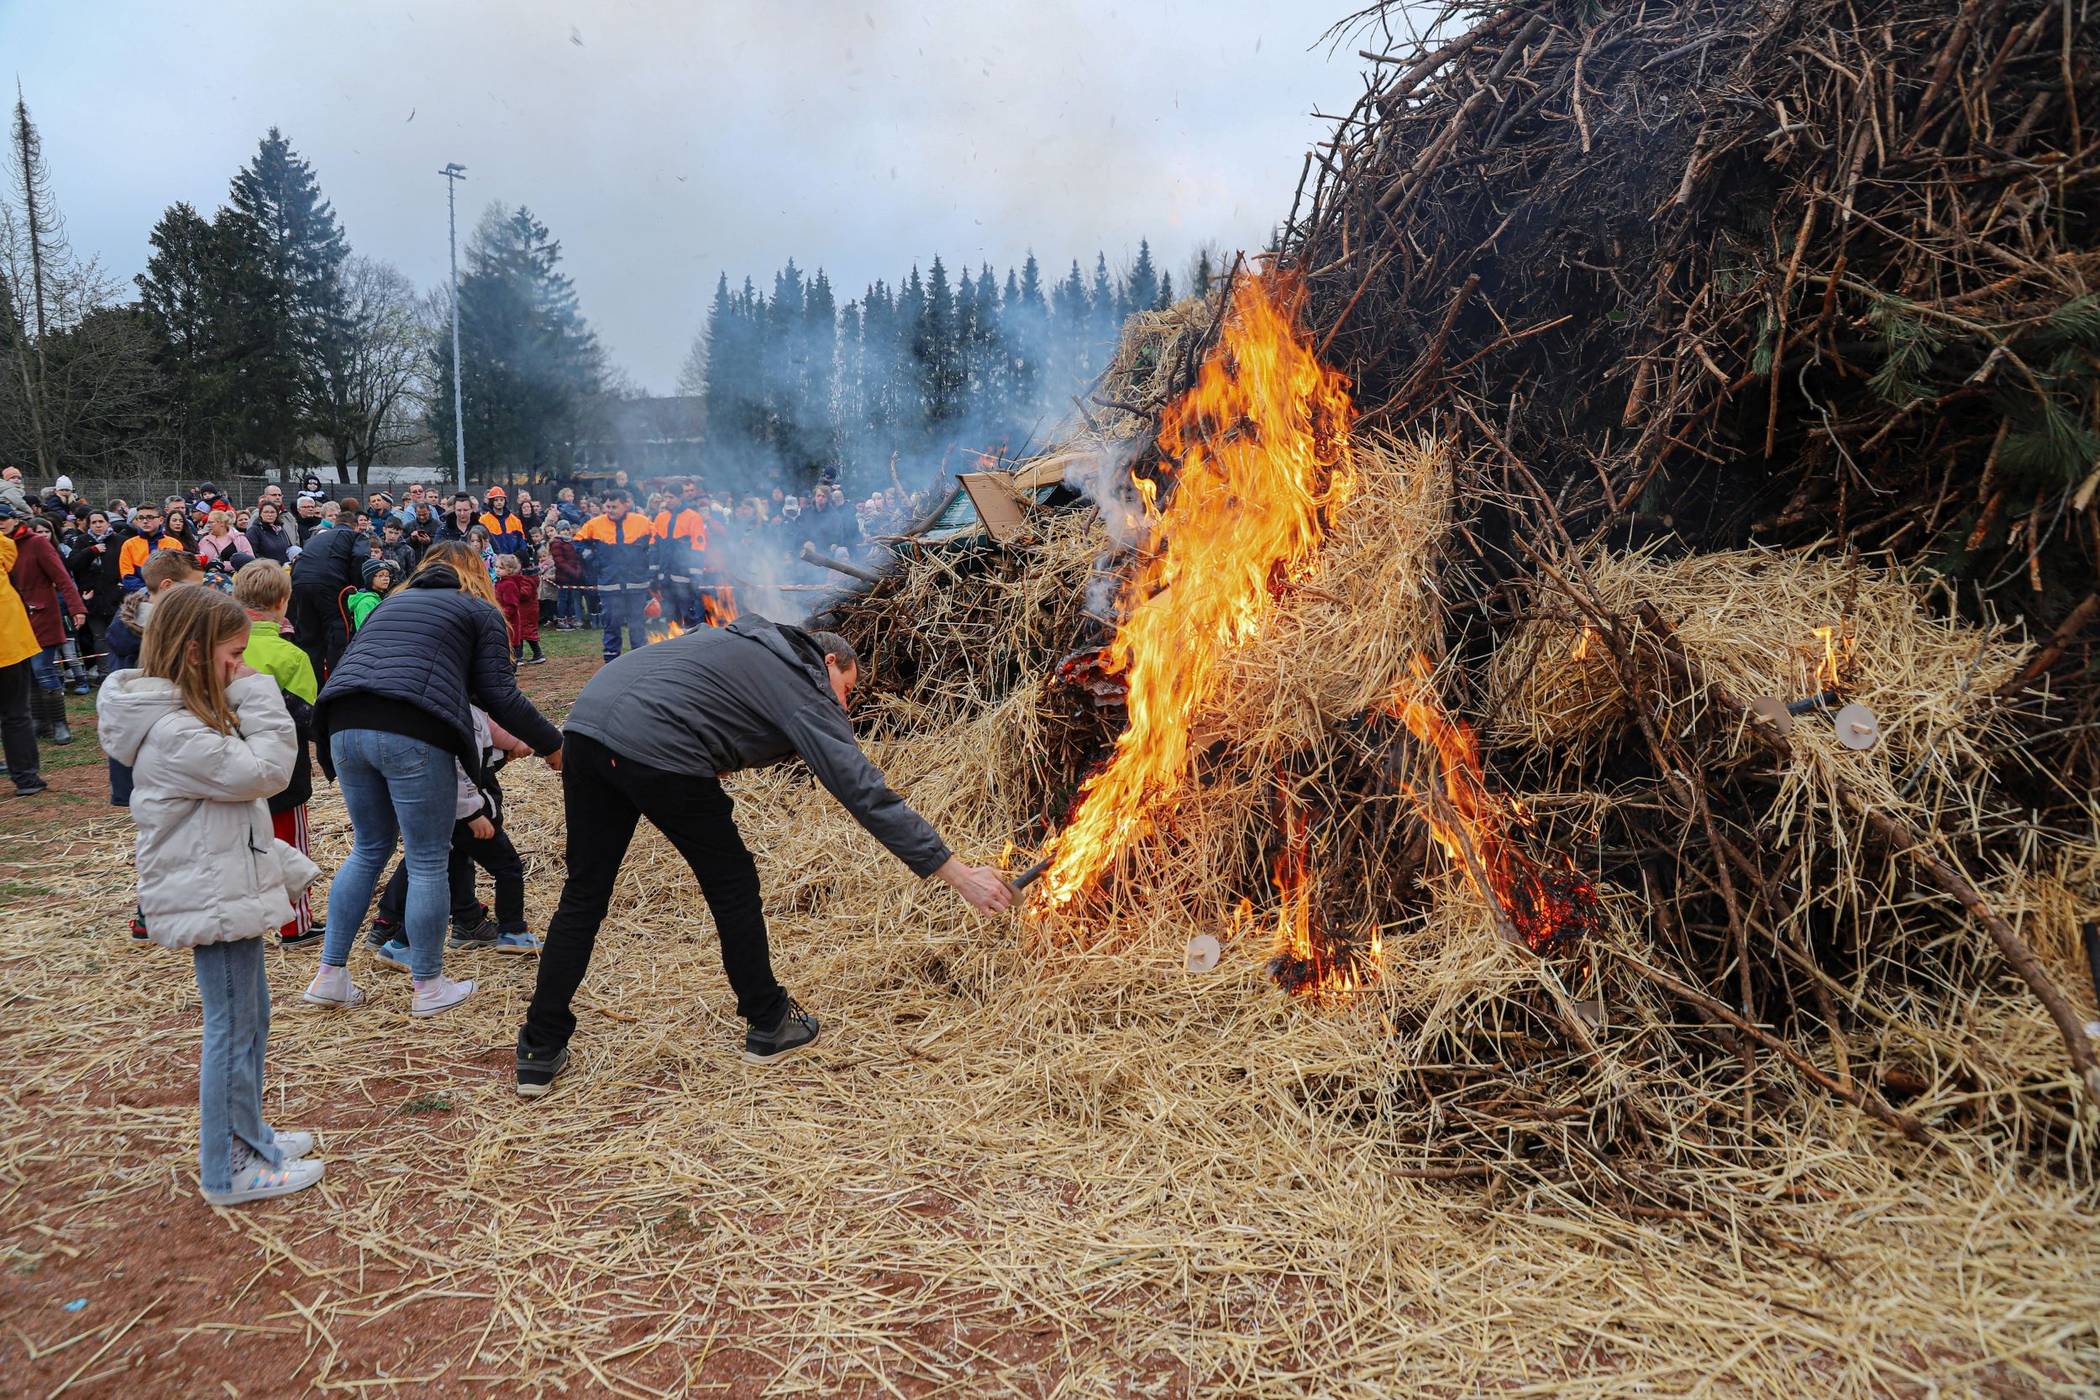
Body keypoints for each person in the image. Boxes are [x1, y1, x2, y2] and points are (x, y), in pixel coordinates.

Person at [514, 617, 1011, 1096]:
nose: (844, 703)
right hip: (655, 744)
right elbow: (865, 793)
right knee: (732, 883)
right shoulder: (801, 681)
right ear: (830, 661)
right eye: (847, 689)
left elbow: (698, 703)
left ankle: (538, 1047)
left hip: (585, 728)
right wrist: (957, 873)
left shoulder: (744, 646)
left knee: (584, 893)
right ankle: (769, 1020)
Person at [96, 586, 325, 1204]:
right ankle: (229, 1169)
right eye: (233, 656)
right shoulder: (174, 733)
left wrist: (279, 865)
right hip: (212, 899)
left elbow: (228, 814)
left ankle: (250, 1137)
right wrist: (256, 690)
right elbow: (266, 773)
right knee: (233, 1028)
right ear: (195, 653)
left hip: (224, 890)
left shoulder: (183, 721)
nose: (240, 667)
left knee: (250, 1020)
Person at [303, 541, 564, 1018]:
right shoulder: (477, 610)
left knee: (368, 849)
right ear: (475, 575)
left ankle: (330, 975)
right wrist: (552, 745)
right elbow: (500, 696)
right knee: (427, 858)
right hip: (413, 730)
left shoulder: (392, 603)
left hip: (341, 723)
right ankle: (428, 985)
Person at [368, 704, 541, 961]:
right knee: (509, 867)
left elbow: (478, 764)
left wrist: (505, 756)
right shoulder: (468, 716)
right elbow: (458, 771)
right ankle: (512, 931)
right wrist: (472, 814)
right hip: (469, 817)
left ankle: (405, 942)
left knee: (442, 876)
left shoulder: (445, 712)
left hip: (443, 813)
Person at [233, 561, 323, 946]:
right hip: (284, 771)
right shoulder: (292, 656)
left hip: (233, 768)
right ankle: (294, 924)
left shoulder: (220, 647)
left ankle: (249, 916)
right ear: (283, 602)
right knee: (289, 843)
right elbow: (308, 717)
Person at [4, 502, 85, 745]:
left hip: (41, 615)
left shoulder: (37, 543)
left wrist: (77, 608)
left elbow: (62, 578)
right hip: (12, 620)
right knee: (27, 673)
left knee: (43, 669)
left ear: (15, 520)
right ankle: (40, 722)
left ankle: (60, 723)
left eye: (3, 518)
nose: (0, 523)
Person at [573, 489, 658, 663]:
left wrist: (647, 562)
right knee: (612, 625)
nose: (610, 510)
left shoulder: (642, 522)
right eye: (607, 506)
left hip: (636, 584)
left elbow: (656, 543)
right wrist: (594, 560)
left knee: (637, 626)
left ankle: (640, 662)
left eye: (614, 506)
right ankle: (611, 661)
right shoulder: (595, 524)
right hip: (609, 585)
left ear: (626, 504)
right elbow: (577, 542)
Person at [287, 515, 364, 682]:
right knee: (337, 635)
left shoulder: (316, 538)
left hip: (299, 583)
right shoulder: (355, 536)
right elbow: (360, 556)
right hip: (329, 584)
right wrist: (355, 584)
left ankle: (311, 684)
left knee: (309, 636)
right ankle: (337, 683)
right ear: (356, 526)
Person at [0, 522, 43, 797]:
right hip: (9, 644)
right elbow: (9, 551)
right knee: (15, 713)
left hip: (10, 643)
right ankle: (26, 778)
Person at [67, 509, 122, 680]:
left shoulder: (120, 541)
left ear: (108, 523)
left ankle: (119, 672)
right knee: (99, 637)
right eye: (94, 522)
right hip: (92, 598)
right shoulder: (82, 541)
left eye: (101, 521)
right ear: (89, 524)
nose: (98, 525)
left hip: (116, 597)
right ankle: (105, 674)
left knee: (118, 635)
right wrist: (91, 551)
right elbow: (73, 563)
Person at [117, 501, 185, 587]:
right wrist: (147, 592)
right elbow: (127, 575)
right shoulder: (129, 545)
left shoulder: (174, 544)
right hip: (140, 596)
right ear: (137, 521)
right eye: (141, 518)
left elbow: (179, 573)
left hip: (167, 594)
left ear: (161, 520)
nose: (145, 521)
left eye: (150, 517)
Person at [493, 553, 543, 665]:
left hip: (521, 613)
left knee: (521, 635)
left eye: (501, 568)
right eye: (496, 567)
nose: (497, 570)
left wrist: (502, 615)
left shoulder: (511, 583)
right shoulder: (502, 582)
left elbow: (512, 603)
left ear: (510, 569)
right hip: (516, 613)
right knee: (518, 636)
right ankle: (517, 658)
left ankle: (520, 657)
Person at [196, 508, 253, 575]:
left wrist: (223, 565)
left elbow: (250, 562)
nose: (208, 525)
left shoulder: (239, 539)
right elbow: (199, 562)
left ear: (222, 523)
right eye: (208, 522)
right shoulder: (204, 540)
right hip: (211, 581)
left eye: (211, 522)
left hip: (235, 580)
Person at [345, 558, 394, 631]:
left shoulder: (380, 597)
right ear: (370, 578)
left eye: (387, 575)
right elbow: (368, 630)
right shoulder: (366, 602)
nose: (386, 579)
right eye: (381, 575)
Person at [245, 500, 295, 565]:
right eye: (266, 512)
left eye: (272, 512)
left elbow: (288, 548)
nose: (269, 515)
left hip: (284, 569)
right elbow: (253, 554)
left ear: (277, 514)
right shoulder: (254, 531)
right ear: (260, 514)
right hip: (266, 570)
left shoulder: (281, 530)